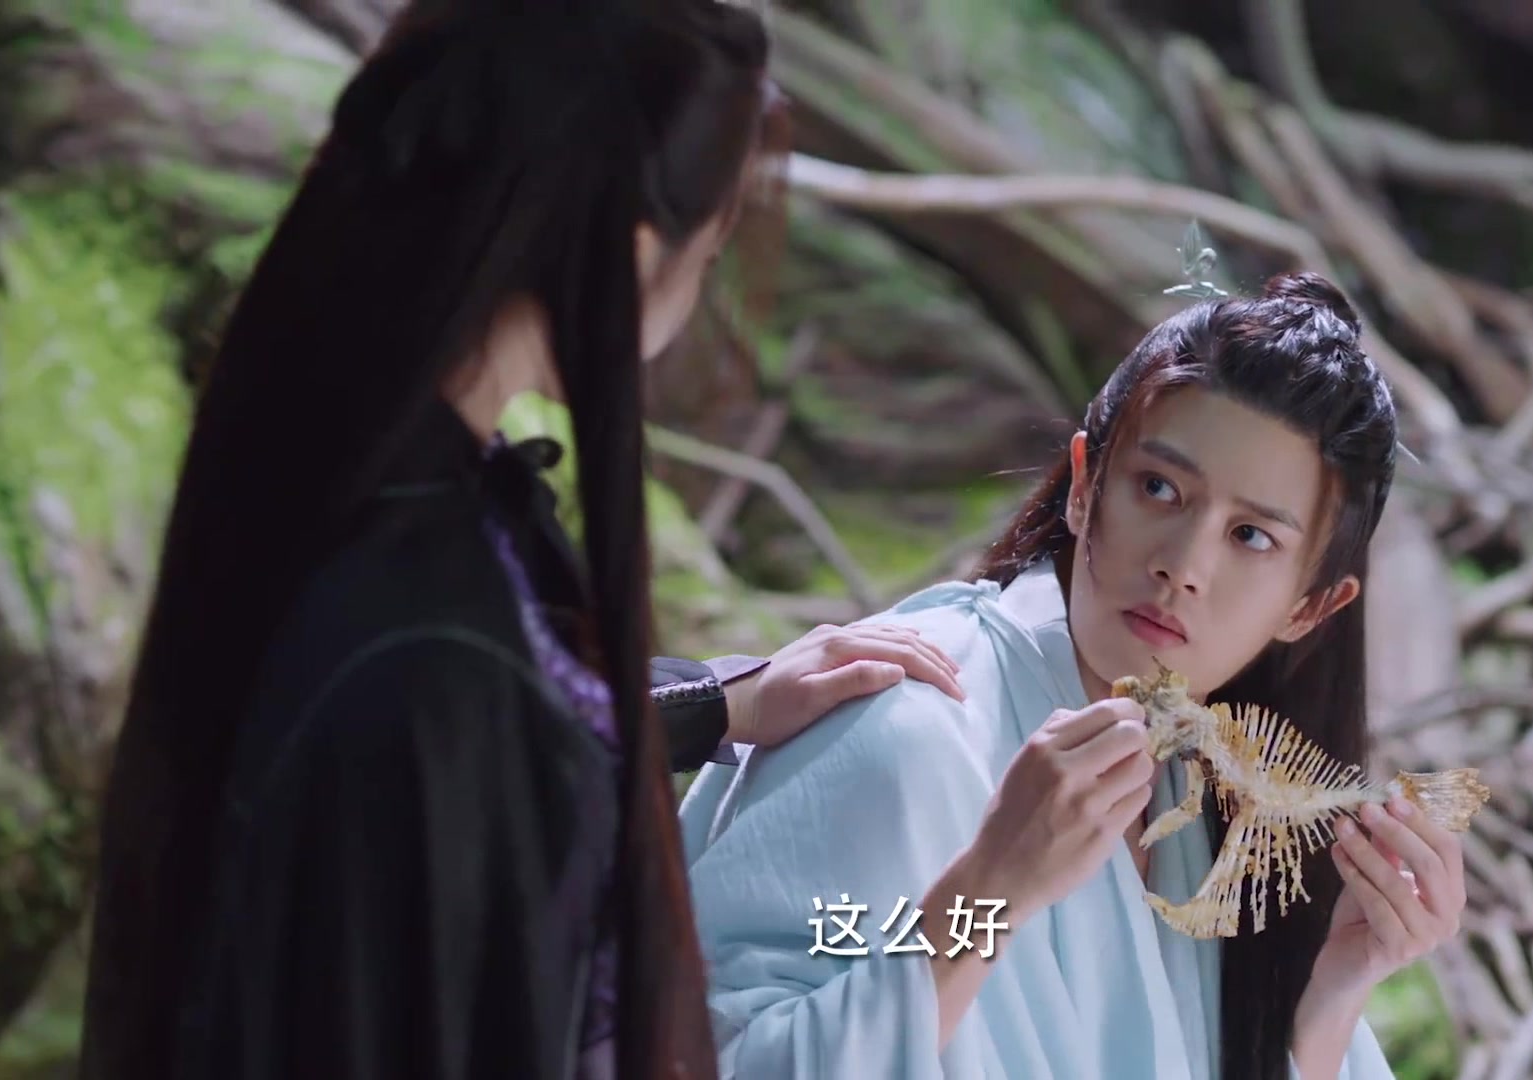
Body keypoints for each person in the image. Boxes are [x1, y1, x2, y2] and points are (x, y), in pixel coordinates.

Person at [76, 3, 965, 1080]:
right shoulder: (438, 645)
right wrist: (996, 889)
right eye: (712, 248)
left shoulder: (342, 440)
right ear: (630, 253)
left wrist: (718, 704)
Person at [680, 272, 1469, 1080]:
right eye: (1159, 489)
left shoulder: (1208, 813)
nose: (1183, 565)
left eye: (1251, 537)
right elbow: (718, 1060)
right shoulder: (906, 726)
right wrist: (995, 888)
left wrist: (1329, 1002)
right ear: (1087, 485)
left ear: (1310, 607)